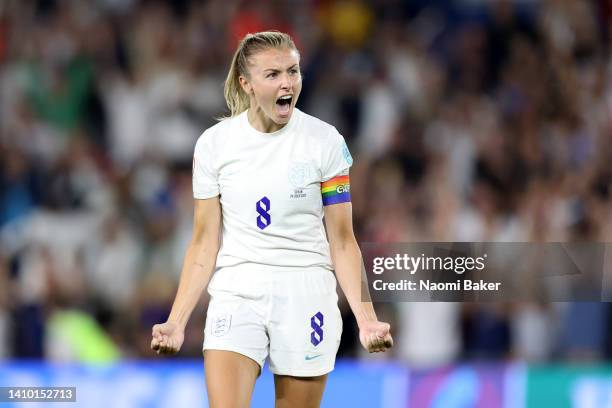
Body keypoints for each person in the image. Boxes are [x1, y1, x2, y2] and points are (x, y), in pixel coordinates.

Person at [150, 31, 393, 408]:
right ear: (246, 84)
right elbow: (203, 241)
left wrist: (366, 319)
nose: (287, 82)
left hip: (306, 293)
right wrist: (177, 321)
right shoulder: (215, 145)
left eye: (293, 71)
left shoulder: (324, 142)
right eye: (273, 74)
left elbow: (342, 240)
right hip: (237, 291)